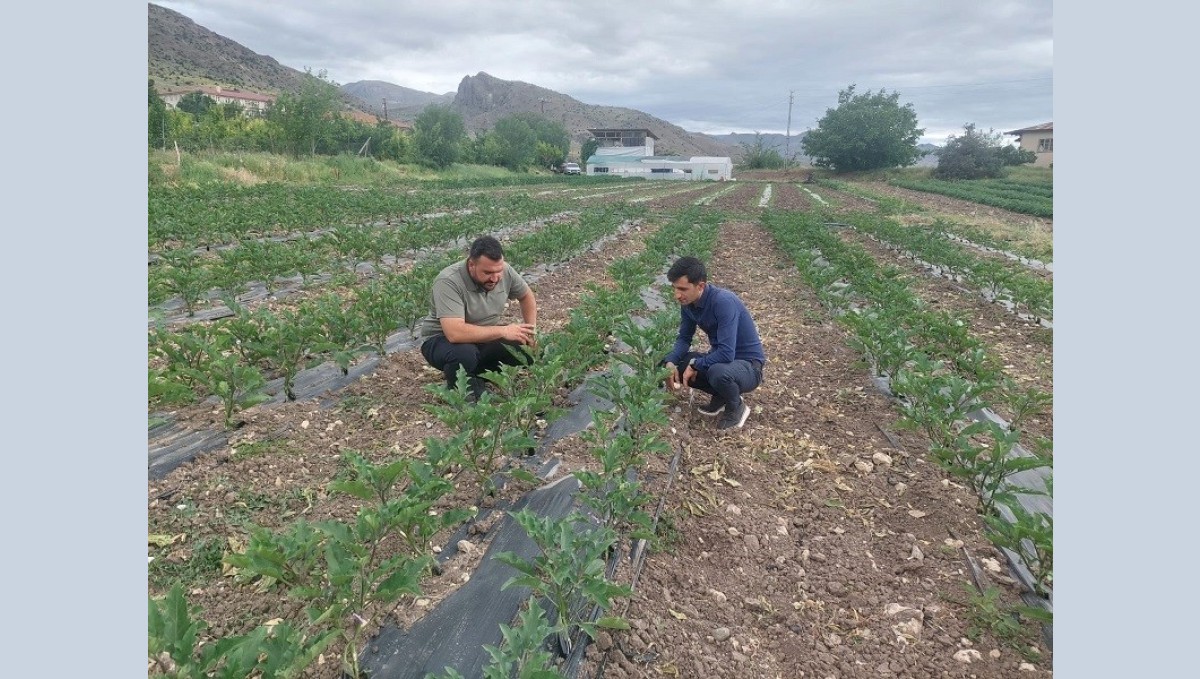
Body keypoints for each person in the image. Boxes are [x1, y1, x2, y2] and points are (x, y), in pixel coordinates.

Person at [415, 236, 537, 401]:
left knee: (523, 348)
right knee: (464, 354)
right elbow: (455, 333)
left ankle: (476, 375)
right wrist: (503, 330)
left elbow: (526, 296)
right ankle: (462, 389)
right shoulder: (449, 281)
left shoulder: (504, 270)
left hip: (483, 338)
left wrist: (531, 330)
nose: (494, 278)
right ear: (471, 264)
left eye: (498, 272)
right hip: (443, 341)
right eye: (487, 273)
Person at [661, 256, 765, 430]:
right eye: (674, 288)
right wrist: (670, 362)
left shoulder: (723, 302)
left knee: (717, 372)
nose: (677, 295)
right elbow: (684, 338)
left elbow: (726, 353)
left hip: (749, 367)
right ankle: (721, 396)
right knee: (680, 364)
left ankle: (736, 407)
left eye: (682, 289)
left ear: (700, 286)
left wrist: (696, 365)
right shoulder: (688, 304)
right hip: (725, 360)